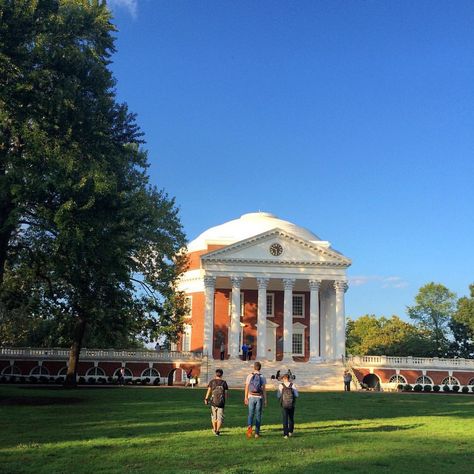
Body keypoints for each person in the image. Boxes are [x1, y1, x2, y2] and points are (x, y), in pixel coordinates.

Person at [244, 361, 267, 439]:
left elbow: (247, 387)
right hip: (259, 397)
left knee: (250, 414)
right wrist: (265, 400)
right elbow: (264, 389)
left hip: (251, 396)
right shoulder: (262, 376)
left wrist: (245, 397)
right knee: (258, 415)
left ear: (254, 367)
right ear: (260, 368)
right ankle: (257, 433)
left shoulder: (249, 376)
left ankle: (249, 431)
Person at [204, 369, 229, 436]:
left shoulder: (212, 382)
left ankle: (214, 429)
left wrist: (206, 398)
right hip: (221, 403)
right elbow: (226, 394)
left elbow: (209, 391)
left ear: (216, 374)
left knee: (214, 417)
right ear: (222, 374)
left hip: (213, 402)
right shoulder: (224, 383)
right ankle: (217, 431)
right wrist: (224, 400)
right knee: (220, 417)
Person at [277, 373, 299, 438]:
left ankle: (285, 434)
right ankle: (290, 432)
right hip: (292, 404)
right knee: (291, 418)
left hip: (284, 404)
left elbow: (278, 395)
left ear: (283, 379)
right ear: (289, 378)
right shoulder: (292, 385)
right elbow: (297, 395)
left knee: (285, 418)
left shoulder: (281, 385)